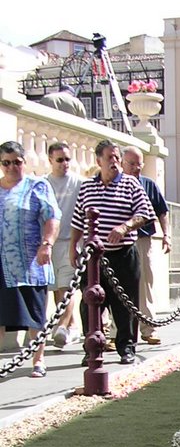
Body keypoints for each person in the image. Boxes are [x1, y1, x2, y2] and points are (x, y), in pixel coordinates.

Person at [70, 139, 155, 365]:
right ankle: (92, 348)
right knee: (90, 303)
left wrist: (125, 227)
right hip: (94, 258)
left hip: (124, 254)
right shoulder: (87, 187)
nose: (114, 162)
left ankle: (126, 348)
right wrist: (73, 249)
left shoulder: (131, 184)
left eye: (117, 158)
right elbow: (78, 220)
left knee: (125, 304)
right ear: (98, 161)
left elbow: (145, 213)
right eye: (110, 158)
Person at [0, 141, 60, 377]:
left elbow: (51, 218)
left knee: (36, 315)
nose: (12, 167)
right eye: (6, 163)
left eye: (17, 162)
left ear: (24, 162)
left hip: (31, 263)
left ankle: (38, 360)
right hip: (2, 264)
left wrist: (47, 244)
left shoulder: (38, 186)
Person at [121, 148, 171, 346]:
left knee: (146, 283)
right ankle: (116, 332)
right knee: (119, 286)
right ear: (123, 164)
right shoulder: (117, 185)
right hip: (122, 241)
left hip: (144, 240)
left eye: (138, 163)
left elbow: (162, 211)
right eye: (131, 163)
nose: (136, 167)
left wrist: (166, 235)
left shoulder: (149, 184)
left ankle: (148, 328)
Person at [45, 141, 82, 347]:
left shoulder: (79, 183)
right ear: (50, 160)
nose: (64, 163)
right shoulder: (43, 183)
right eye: (60, 160)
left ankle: (60, 328)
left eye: (67, 159)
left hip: (71, 243)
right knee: (56, 289)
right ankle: (72, 327)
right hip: (50, 243)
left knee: (67, 287)